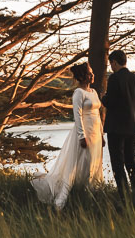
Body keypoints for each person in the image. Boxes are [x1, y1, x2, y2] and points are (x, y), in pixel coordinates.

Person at [32, 62, 104, 209]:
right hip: (85, 132)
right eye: (90, 73)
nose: (93, 75)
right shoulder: (78, 93)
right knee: (80, 164)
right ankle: (62, 201)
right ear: (84, 76)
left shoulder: (94, 92)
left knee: (94, 164)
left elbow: (97, 114)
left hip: (96, 133)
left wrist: (102, 135)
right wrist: (81, 136)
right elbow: (77, 115)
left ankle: (92, 194)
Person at [100, 49, 135, 198]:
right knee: (130, 160)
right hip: (132, 126)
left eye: (110, 64)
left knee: (117, 163)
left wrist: (103, 98)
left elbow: (111, 102)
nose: (110, 67)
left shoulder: (114, 79)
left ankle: (124, 195)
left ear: (114, 62)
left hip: (116, 127)